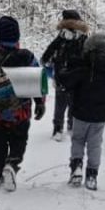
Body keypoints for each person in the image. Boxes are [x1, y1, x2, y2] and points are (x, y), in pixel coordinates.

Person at [0, 15, 46, 191]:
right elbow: (37, 80)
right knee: (19, 140)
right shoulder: (27, 57)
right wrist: (40, 102)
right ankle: (12, 165)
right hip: (20, 111)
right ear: (17, 36)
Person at [61, 32, 105, 191]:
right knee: (95, 144)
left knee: (78, 140)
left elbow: (68, 81)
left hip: (81, 111)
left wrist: (63, 75)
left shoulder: (84, 63)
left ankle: (76, 167)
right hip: (101, 113)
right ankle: (92, 175)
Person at [39, 9, 89, 141]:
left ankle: (58, 129)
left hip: (62, 76)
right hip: (78, 78)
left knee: (60, 105)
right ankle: (72, 126)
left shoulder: (60, 38)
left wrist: (50, 67)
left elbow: (45, 57)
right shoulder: (84, 38)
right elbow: (90, 57)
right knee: (75, 103)